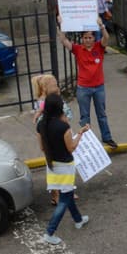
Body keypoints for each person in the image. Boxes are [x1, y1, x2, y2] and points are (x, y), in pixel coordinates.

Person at [36, 92, 90, 245]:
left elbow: (41, 147)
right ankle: (50, 232)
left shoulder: (41, 125)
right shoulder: (63, 126)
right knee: (64, 199)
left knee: (67, 193)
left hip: (52, 165)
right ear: (59, 108)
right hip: (65, 167)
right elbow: (71, 147)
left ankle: (78, 220)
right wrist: (80, 134)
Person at [57, 28, 116, 149]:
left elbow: (106, 37)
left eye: (90, 37)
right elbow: (63, 40)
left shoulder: (99, 47)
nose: (88, 40)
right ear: (82, 39)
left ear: (94, 38)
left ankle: (107, 137)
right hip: (83, 88)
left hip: (99, 87)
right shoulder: (78, 49)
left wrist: (102, 26)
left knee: (102, 114)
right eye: (85, 38)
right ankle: (87, 141)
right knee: (85, 116)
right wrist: (62, 26)